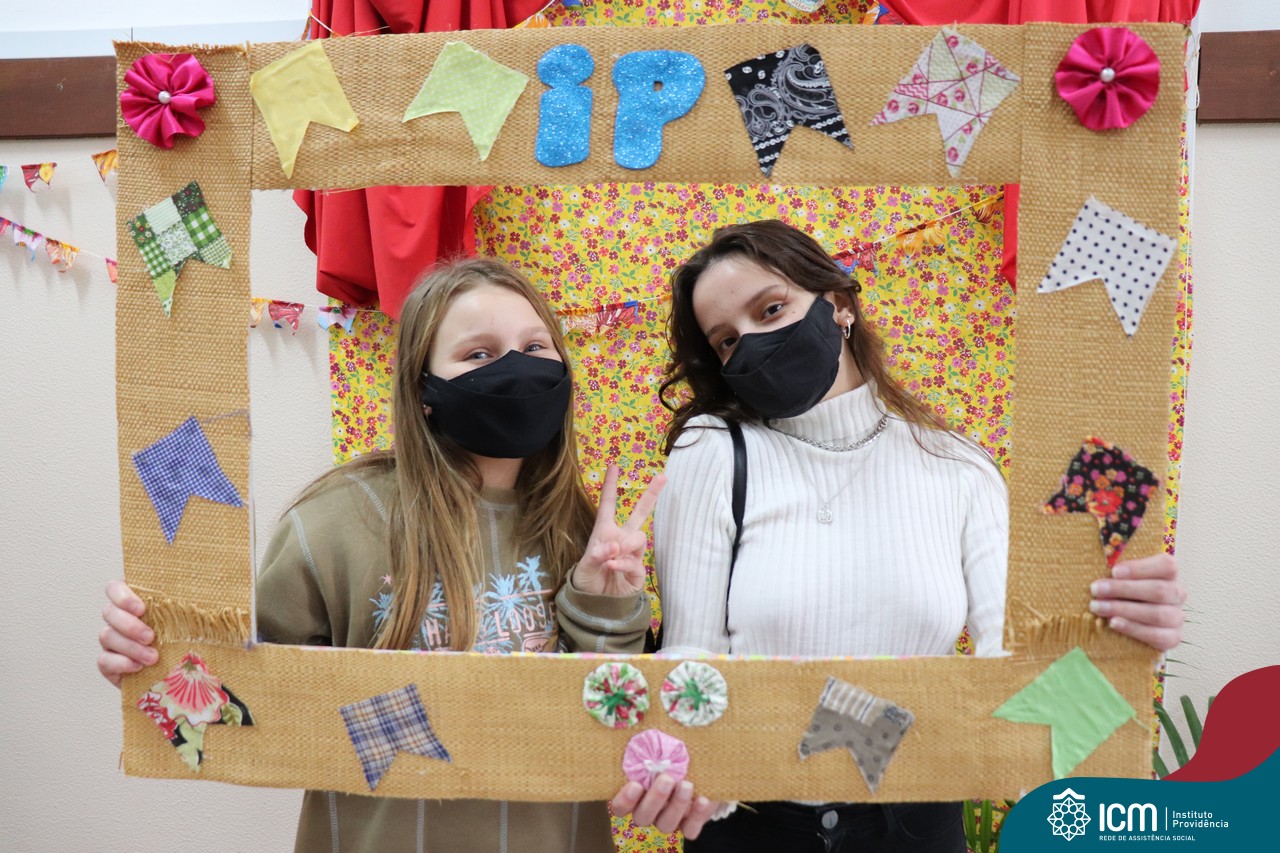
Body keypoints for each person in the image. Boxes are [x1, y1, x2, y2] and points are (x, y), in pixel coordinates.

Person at [610, 220, 1187, 851]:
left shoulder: (960, 467)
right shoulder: (713, 452)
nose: (752, 343)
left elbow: (1014, 669)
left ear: (839, 306)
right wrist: (688, 777)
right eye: (726, 341)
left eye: (771, 309)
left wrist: (1117, 647)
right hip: (753, 827)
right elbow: (691, 664)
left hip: (916, 824)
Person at [97, 257, 707, 852]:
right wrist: (153, 658)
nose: (516, 368)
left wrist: (604, 603)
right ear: (424, 391)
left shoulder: (583, 530)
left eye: (535, 347)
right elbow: (239, 698)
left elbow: (608, 726)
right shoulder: (334, 521)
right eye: (479, 354)